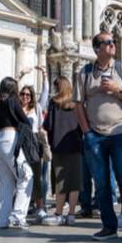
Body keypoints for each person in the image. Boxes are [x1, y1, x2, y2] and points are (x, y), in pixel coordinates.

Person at [74, 32, 122, 242]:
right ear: (97, 49)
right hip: (94, 135)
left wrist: (117, 89)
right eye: (108, 42)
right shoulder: (85, 72)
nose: (113, 44)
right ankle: (109, 226)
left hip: (119, 132)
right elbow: (78, 104)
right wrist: (87, 132)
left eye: (113, 41)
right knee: (102, 184)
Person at [0, 76, 33, 229]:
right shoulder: (12, 101)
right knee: (26, 176)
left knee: (6, 183)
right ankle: (18, 216)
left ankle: (3, 220)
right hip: (10, 138)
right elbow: (25, 120)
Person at [42, 76, 83, 226]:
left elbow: (48, 125)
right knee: (74, 181)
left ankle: (59, 213)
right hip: (76, 146)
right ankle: (71, 214)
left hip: (59, 147)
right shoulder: (76, 103)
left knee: (61, 181)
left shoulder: (55, 103)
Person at [18, 68, 49, 222]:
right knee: (20, 175)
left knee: (37, 176)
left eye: (28, 95)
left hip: (34, 142)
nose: (25, 97)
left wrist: (44, 74)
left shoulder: (36, 108)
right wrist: (21, 75)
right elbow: (9, 91)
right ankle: (21, 206)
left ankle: (39, 208)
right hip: (19, 142)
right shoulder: (15, 107)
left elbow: (45, 92)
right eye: (22, 94)